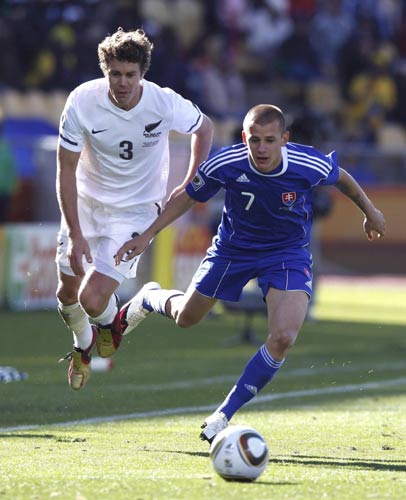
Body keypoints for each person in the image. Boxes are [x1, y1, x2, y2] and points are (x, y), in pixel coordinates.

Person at [113, 104, 386, 443]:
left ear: (284, 139)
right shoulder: (225, 163)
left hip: (286, 253)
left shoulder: (306, 163)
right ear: (244, 138)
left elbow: (342, 178)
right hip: (233, 250)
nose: (261, 148)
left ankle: (223, 415)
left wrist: (371, 212)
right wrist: (147, 235)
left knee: (284, 336)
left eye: (269, 140)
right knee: (187, 317)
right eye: (254, 140)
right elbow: (187, 196)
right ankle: (149, 297)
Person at [55, 27, 214, 390]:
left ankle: (111, 322)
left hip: (137, 212)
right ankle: (84, 346)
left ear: (143, 73)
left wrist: (191, 181)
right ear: (104, 70)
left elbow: (204, 128)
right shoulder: (81, 102)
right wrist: (75, 232)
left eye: (130, 74)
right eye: (115, 73)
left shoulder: (163, 102)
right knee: (66, 295)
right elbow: (64, 169)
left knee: (91, 298)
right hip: (87, 204)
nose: (122, 82)